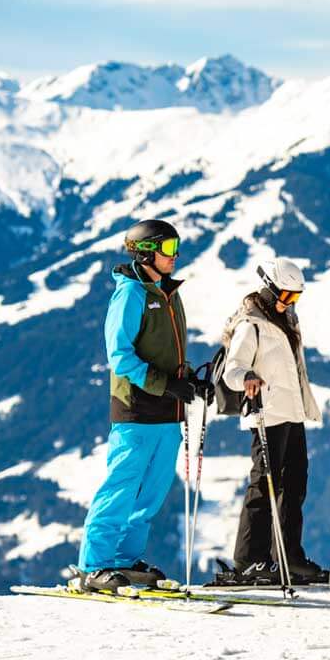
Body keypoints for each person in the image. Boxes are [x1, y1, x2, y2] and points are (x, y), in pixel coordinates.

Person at [77, 219, 212, 591]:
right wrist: (166, 384)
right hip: (136, 409)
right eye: (169, 248)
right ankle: (94, 565)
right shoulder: (131, 294)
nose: (176, 256)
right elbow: (119, 356)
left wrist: (187, 382)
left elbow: (168, 353)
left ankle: (123, 558)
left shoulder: (169, 293)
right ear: (146, 251)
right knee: (122, 485)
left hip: (168, 412)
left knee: (151, 493)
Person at [212, 259, 327, 586]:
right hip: (266, 414)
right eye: (287, 296)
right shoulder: (251, 324)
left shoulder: (287, 320)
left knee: (294, 486)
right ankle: (250, 559)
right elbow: (233, 369)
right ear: (270, 289)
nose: (291, 303)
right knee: (265, 484)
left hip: (291, 413)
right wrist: (247, 376)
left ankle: (287, 557)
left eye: (296, 297)